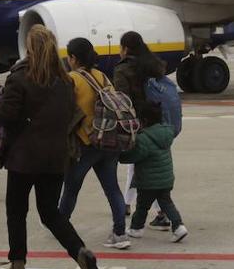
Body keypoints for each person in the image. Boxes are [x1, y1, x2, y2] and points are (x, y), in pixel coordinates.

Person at [0, 24, 99, 269]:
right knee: (50, 212)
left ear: (29, 48)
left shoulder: (20, 77)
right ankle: (79, 251)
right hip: (55, 156)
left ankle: (17, 268)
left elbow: (7, 116)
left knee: (16, 211)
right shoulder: (64, 80)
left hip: (23, 157)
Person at [58, 37, 130, 250]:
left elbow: (65, 110)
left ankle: (60, 226)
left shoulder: (72, 79)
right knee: (112, 188)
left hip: (85, 143)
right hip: (108, 141)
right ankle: (120, 233)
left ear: (73, 58)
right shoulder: (103, 76)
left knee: (71, 187)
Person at [112, 31, 171, 227]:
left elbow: (122, 100)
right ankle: (128, 202)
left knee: (144, 168)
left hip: (137, 123)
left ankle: (164, 211)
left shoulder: (123, 70)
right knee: (139, 165)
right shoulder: (153, 65)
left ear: (125, 49)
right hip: (156, 119)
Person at [119, 103, 188, 242]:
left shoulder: (143, 138)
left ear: (144, 121)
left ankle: (136, 228)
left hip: (148, 182)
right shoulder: (165, 133)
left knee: (142, 206)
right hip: (165, 179)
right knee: (167, 203)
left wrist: (120, 156)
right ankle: (179, 226)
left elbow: (134, 156)